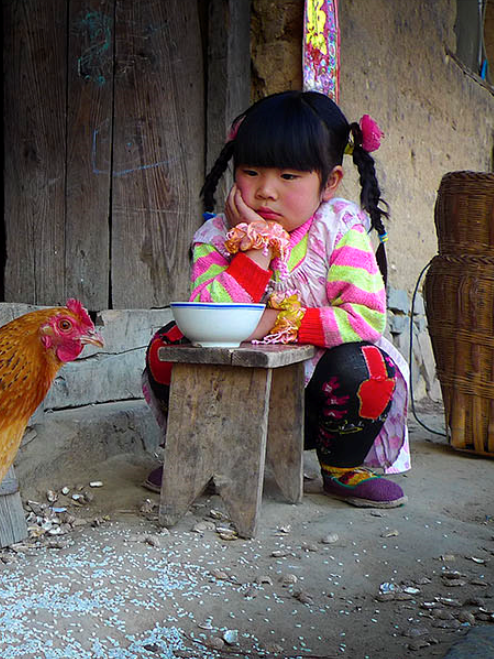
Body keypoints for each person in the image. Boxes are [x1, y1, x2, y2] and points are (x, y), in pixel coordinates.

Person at [142, 90, 410, 508]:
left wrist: (279, 322)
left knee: (369, 365)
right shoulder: (216, 238)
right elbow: (205, 317)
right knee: (166, 346)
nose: (265, 191)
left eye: (288, 177)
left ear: (330, 182)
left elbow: (363, 319)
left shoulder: (338, 230)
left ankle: (342, 467)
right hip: (230, 400)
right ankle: (201, 455)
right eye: (250, 171)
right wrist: (258, 249)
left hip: (319, 403)